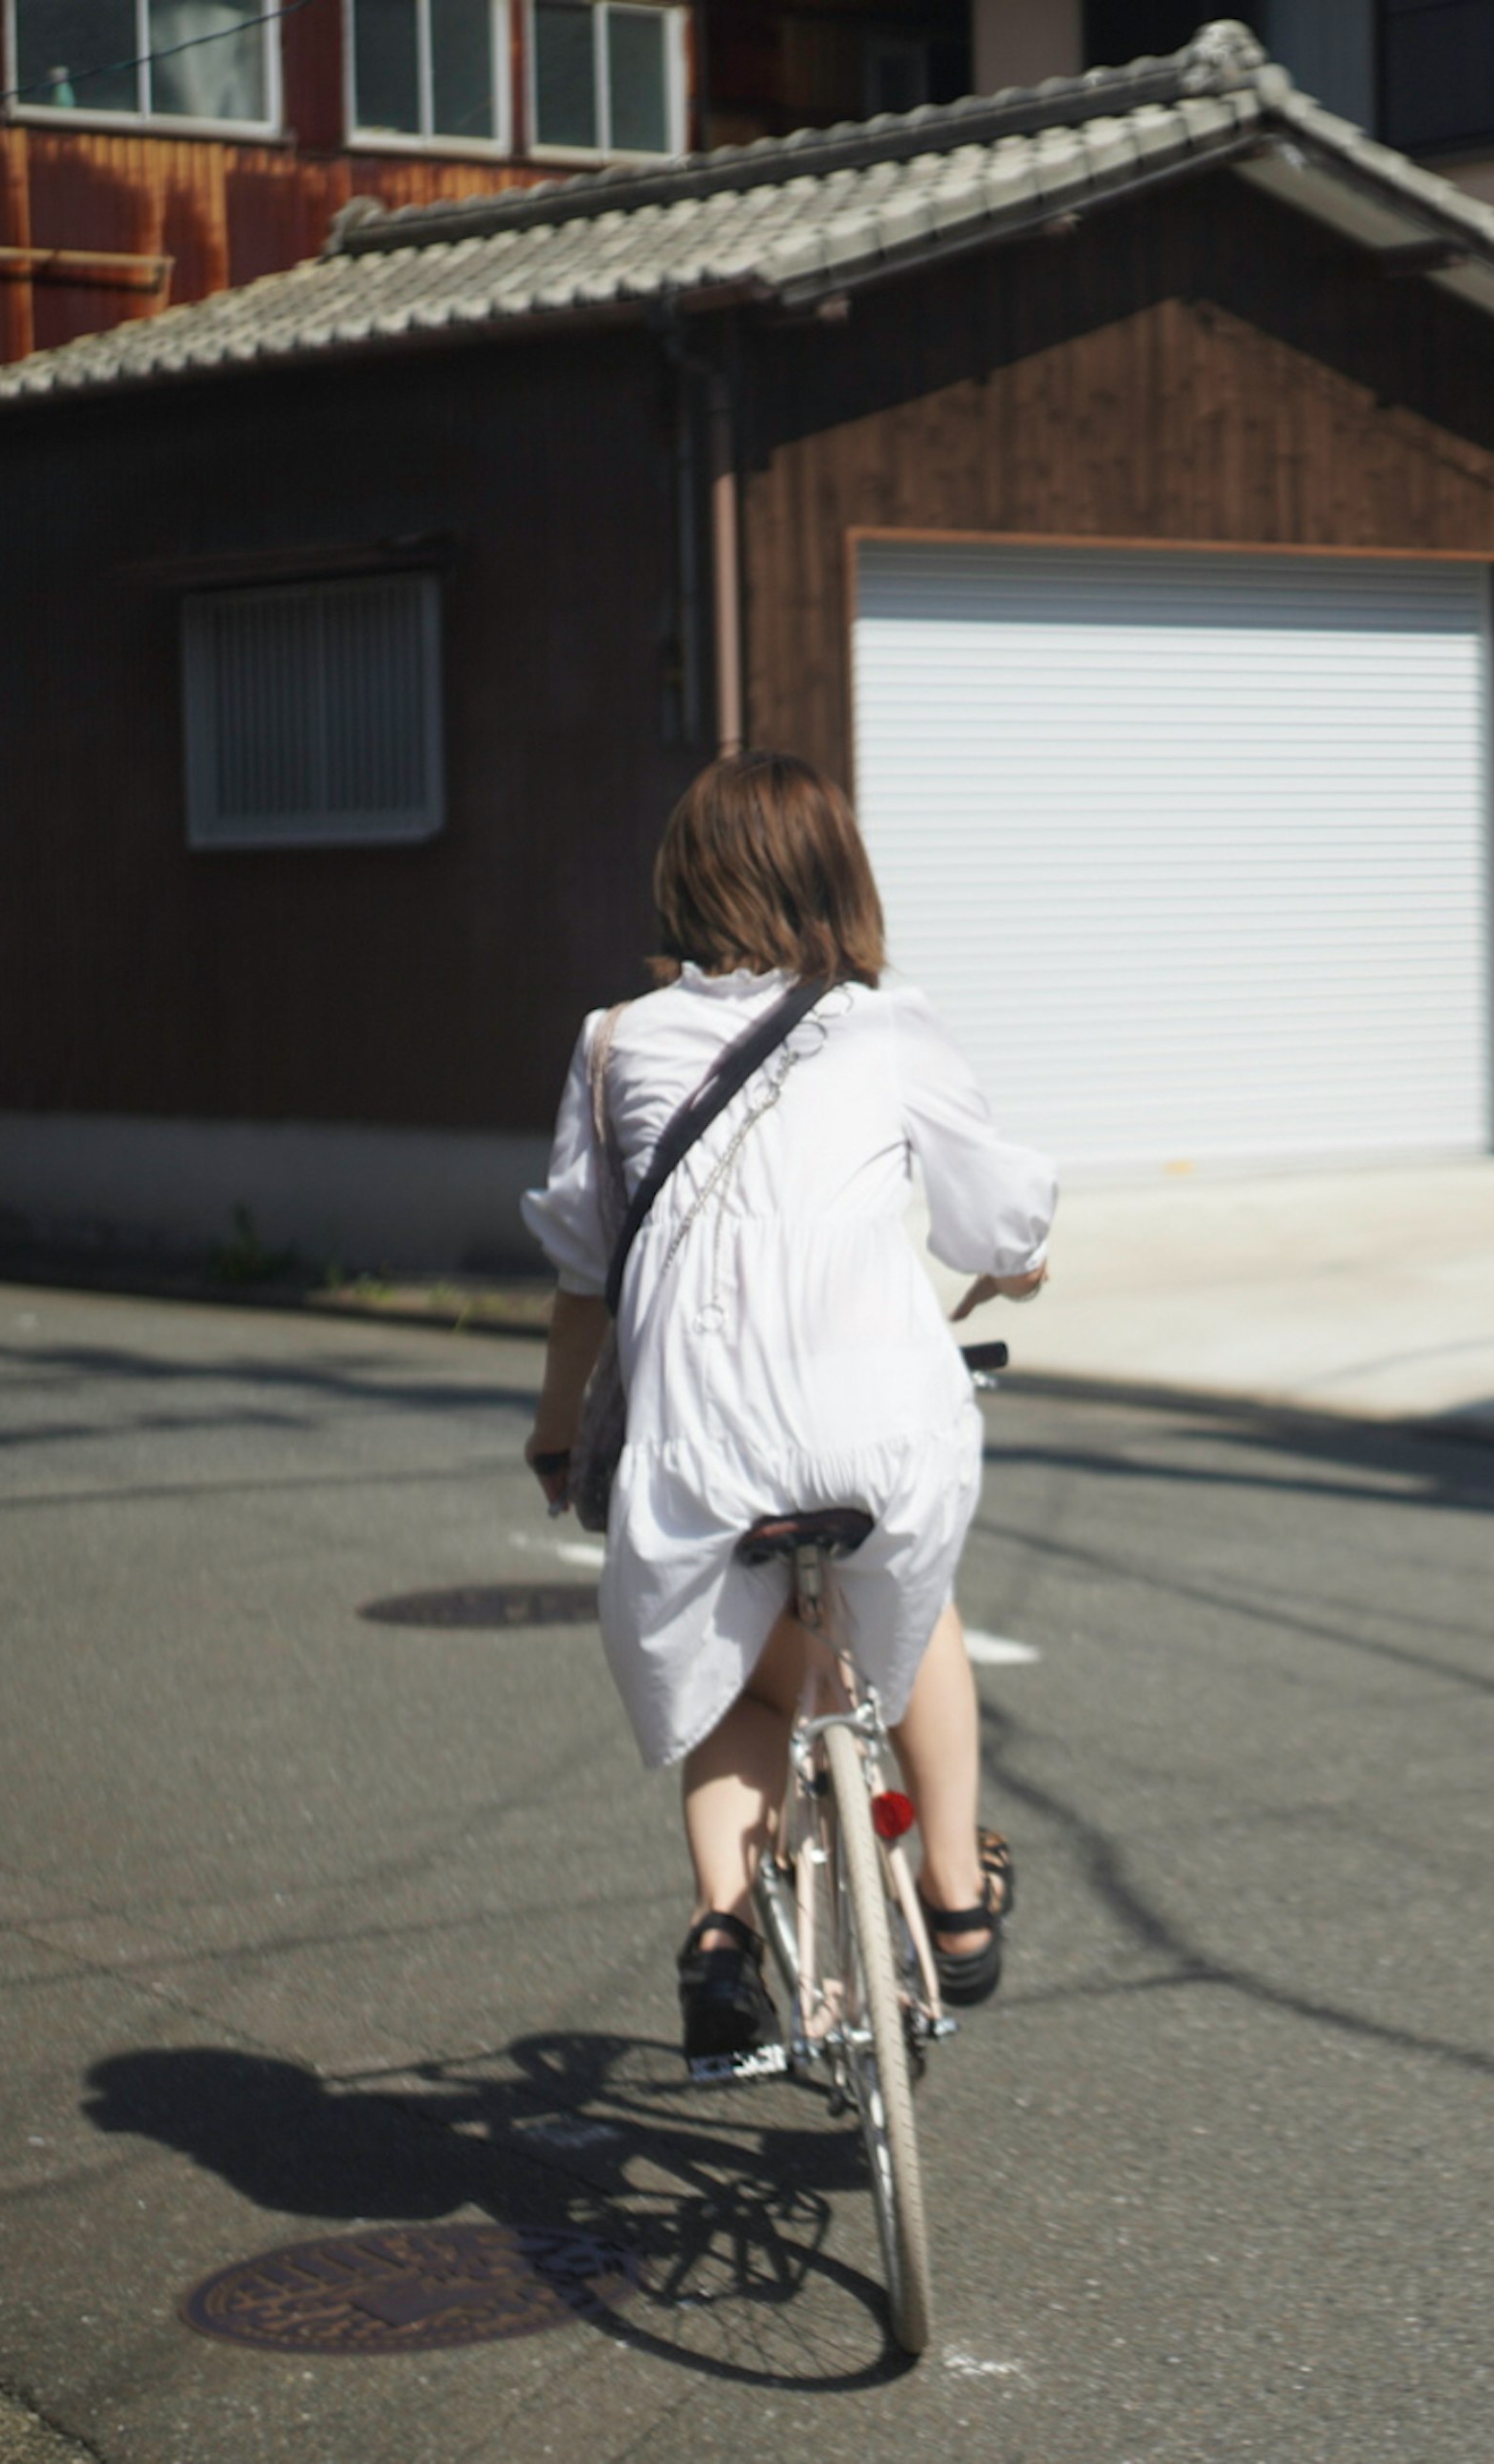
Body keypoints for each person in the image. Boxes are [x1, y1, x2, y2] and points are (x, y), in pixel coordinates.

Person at [521, 751, 1057, 2065]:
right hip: (883, 1430)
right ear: (840, 877)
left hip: (700, 1446)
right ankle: (954, 1895)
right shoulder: (888, 1023)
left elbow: (584, 1277)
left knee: (738, 1692)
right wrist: (1021, 1259)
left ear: (686, 882)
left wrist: (551, 1431)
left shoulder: (613, 1043)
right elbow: (1002, 1215)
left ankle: (719, 1931)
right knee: (915, 1606)